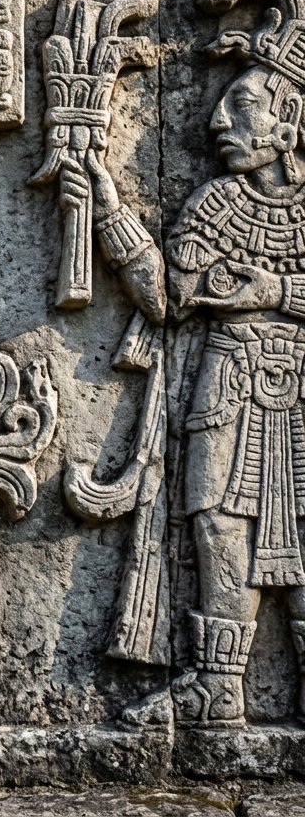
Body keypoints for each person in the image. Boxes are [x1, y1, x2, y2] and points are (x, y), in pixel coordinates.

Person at [161, 61, 305, 725]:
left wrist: (276, 290)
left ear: (290, 121)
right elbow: (176, 293)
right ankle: (217, 685)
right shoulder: (213, 204)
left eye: (242, 104)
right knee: (216, 520)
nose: (217, 119)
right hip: (227, 379)